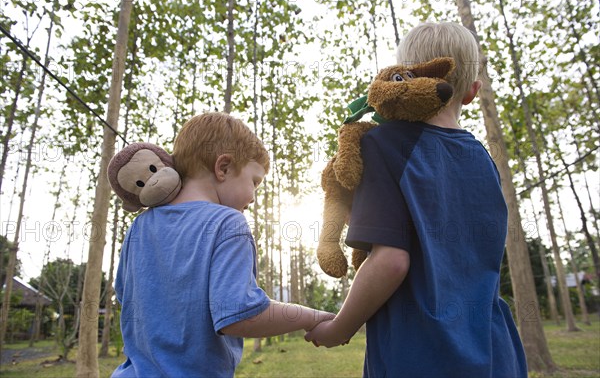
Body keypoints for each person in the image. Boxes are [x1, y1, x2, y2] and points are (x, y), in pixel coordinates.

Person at [305, 22, 528, 377]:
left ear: (402, 77)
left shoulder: (383, 145)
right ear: (472, 91)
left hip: (418, 353)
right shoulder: (485, 160)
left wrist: (339, 328)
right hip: (496, 352)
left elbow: (390, 261)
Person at [112, 112, 334, 378]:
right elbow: (240, 316)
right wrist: (312, 316)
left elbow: (126, 298)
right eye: (255, 182)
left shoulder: (138, 226)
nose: (253, 197)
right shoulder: (227, 223)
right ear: (224, 168)